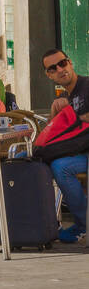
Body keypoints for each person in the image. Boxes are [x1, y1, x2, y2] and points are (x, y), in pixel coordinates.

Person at [41, 48, 89, 243]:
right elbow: (58, 134)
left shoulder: (86, 85)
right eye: (54, 68)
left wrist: (76, 117)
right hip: (80, 152)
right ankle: (37, 224)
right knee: (30, 164)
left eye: (63, 63)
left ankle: (83, 225)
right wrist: (58, 113)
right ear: (49, 75)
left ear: (70, 63)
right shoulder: (68, 97)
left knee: (61, 168)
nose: (61, 69)